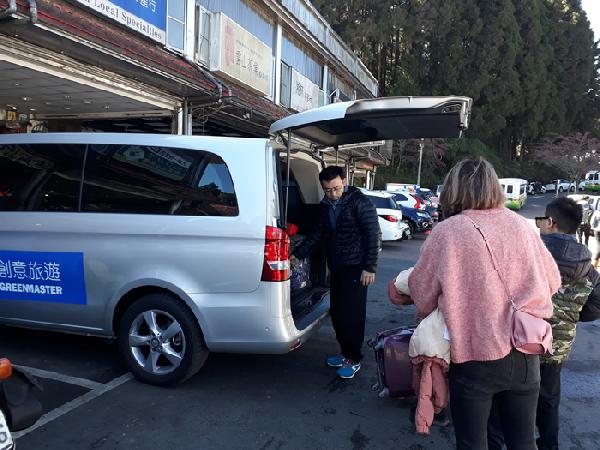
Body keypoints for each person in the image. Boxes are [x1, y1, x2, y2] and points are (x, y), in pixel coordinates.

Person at [404, 157, 561, 449]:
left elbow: (422, 294)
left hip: (475, 356)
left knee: (472, 443)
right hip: (526, 352)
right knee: (523, 442)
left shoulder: (448, 232)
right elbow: (553, 281)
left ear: (453, 190)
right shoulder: (522, 226)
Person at [489, 197, 600, 450]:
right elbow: (597, 303)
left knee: (502, 397)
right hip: (555, 346)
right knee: (548, 399)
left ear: (550, 222)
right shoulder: (588, 267)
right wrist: (571, 315)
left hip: (515, 341)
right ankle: (549, 445)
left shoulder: (527, 253)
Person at [293, 166, 381, 379]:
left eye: (336, 188)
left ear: (345, 180)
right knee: (339, 313)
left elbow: (373, 235)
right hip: (338, 266)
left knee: (353, 315)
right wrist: (298, 253)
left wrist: (369, 267)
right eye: (328, 190)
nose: (333, 193)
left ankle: (354, 358)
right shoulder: (326, 206)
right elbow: (319, 234)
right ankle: (345, 353)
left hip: (357, 268)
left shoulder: (359, 202)